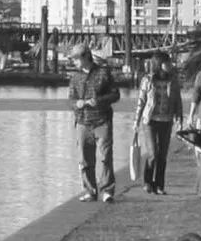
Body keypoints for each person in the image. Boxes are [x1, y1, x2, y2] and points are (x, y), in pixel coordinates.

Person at [68, 42, 122, 201]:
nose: (74, 62)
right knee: (85, 159)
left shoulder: (103, 73)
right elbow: (71, 99)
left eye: (77, 59)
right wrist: (76, 104)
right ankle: (90, 191)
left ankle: (107, 190)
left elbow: (115, 95)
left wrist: (98, 100)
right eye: (73, 59)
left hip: (102, 121)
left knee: (105, 156)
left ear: (86, 56)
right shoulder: (75, 77)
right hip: (82, 122)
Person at [132, 49, 182, 194]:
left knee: (163, 154)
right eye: (167, 62)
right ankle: (148, 182)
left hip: (167, 120)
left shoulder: (173, 79)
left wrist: (179, 117)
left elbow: (177, 99)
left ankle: (159, 185)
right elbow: (141, 101)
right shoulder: (148, 80)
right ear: (159, 64)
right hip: (150, 121)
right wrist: (136, 120)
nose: (170, 65)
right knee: (153, 153)